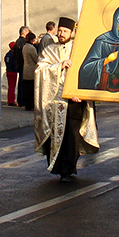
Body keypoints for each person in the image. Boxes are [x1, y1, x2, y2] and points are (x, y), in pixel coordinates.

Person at [34, 16, 99, 182]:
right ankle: (57, 166)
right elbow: (40, 70)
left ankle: (68, 169)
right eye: (60, 31)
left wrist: (81, 92)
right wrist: (59, 66)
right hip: (54, 101)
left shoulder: (80, 49)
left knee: (71, 137)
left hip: (74, 101)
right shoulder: (49, 50)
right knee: (55, 136)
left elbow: (88, 72)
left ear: (72, 32)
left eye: (65, 31)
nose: (61, 34)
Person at [22, 32, 39, 111]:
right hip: (31, 70)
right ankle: (30, 105)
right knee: (31, 90)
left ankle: (27, 105)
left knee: (27, 89)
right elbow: (36, 58)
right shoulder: (31, 48)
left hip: (25, 69)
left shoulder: (24, 47)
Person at [13, 26, 30, 106]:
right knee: (23, 84)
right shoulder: (23, 42)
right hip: (23, 65)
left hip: (19, 64)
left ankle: (20, 100)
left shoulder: (17, 41)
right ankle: (22, 101)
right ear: (25, 32)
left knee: (20, 83)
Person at [4, 41, 19, 106]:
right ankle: (11, 101)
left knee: (10, 86)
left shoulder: (7, 54)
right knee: (12, 87)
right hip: (13, 72)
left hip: (8, 71)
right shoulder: (13, 55)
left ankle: (10, 99)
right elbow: (14, 63)